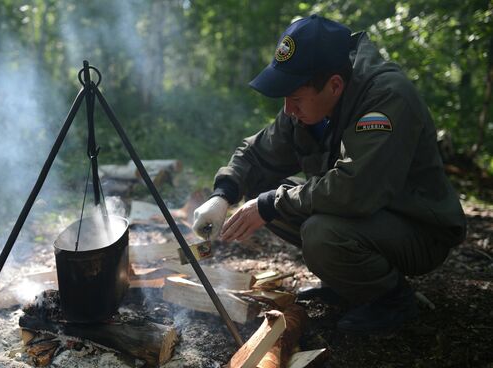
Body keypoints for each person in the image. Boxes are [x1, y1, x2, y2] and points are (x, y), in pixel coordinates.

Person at [192, 14, 466, 334]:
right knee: (271, 193)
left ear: (335, 85)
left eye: (295, 98)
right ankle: (348, 282)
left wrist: (270, 204)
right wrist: (222, 195)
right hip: (371, 214)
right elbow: (256, 153)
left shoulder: (387, 97)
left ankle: (391, 300)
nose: (288, 110)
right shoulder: (307, 103)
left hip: (419, 228)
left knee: (321, 232)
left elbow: (355, 190)